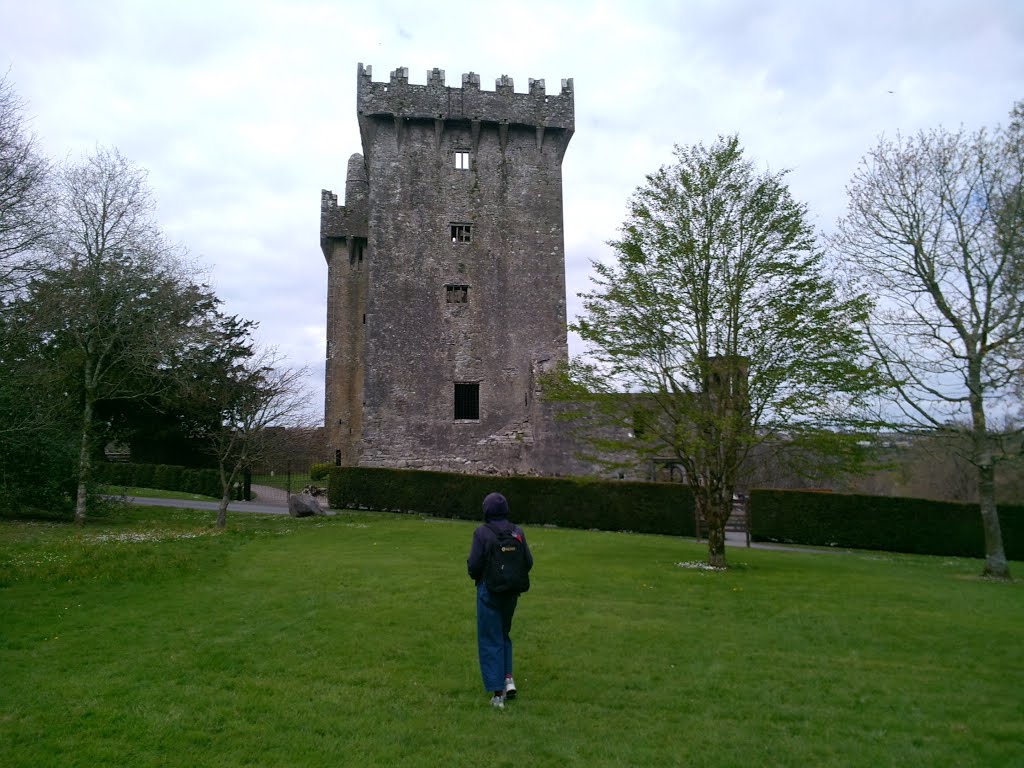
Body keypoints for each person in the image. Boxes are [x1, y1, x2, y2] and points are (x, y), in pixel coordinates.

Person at [467, 492, 534, 709]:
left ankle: (497, 693)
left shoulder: (482, 533)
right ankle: (508, 678)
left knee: (489, 637)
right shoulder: (517, 532)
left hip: (489, 590)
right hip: (511, 591)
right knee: (504, 634)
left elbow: (474, 566)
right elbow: (528, 562)